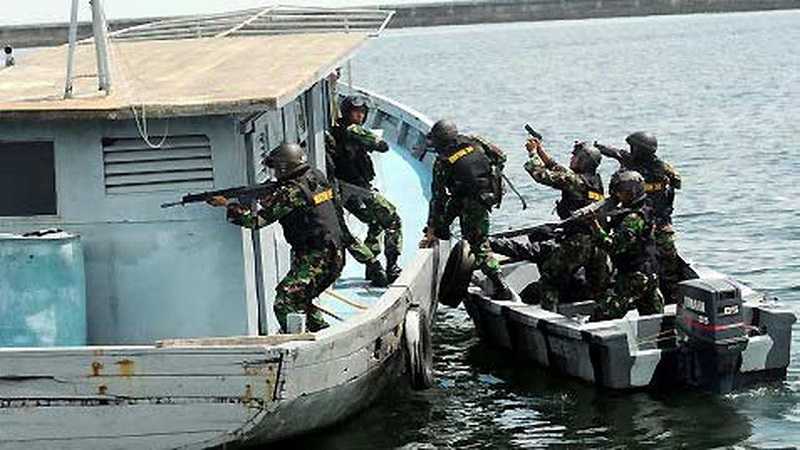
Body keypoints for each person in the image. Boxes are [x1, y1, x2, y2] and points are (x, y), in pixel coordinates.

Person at [207, 143, 345, 332]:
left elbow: (256, 221)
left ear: (284, 168)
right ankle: (321, 332)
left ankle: (298, 344)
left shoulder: (290, 192)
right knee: (301, 297)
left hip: (317, 257)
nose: (274, 174)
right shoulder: (315, 177)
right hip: (333, 250)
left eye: (275, 169)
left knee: (284, 300)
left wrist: (228, 204)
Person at [510, 138, 610, 309]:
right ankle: (601, 315)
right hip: (597, 242)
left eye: (575, 157)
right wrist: (541, 151)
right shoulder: (594, 181)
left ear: (583, 161)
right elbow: (556, 168)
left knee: (551, 278)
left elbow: (540, 174)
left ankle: (549, 317)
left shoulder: (573, 181)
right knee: (598, 287)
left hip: (578, 242)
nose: (571, 159)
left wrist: (532, 152)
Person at [421, 119, 512, 300]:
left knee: (478, 244)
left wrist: (431, 230)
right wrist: (488, 175)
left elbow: (438, 199)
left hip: (473, 202)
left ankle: (501, 285)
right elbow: (501, 156)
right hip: (487, 192)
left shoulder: (442, 162)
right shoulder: (474, 141)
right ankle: (443, 230)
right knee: (454, 206)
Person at [596, 132, 683, 303]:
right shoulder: (661, 166)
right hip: (654, 221)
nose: (631, 150)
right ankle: (665, 295)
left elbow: (616, 153)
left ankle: (665, 296)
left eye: (633, 147)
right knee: (661, 262)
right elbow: (677, 182)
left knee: (657, 261)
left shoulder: (650, 165)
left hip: (648, 221)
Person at [326, 95, 403, 284]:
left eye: (362, 113)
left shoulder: (338, 130)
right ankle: (391, 266)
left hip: (344, 190)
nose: (359, 116)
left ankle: (372, 265)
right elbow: (382, 146)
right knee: (392, 220)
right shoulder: (354, 130)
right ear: (347, 113)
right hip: (357, 189)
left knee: (374, 223)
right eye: (355, 112)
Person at [590, 170, 664, 320]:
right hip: (649, 274)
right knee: (655, 321)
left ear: (632, 192)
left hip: (633, 278)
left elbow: (614, 246)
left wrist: (594, 225)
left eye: (621, 192)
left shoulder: (632, 218)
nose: (618, 195)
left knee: (600, 318)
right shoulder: (643, 209)